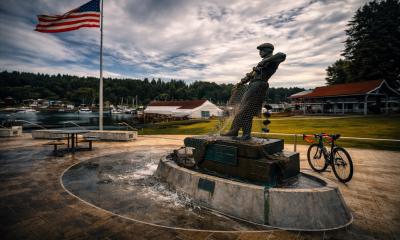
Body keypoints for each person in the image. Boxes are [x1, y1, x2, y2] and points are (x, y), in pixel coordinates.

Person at [222, 43, 286, 140]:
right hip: (252, 85)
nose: (260, 52)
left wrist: (266, 61)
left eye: (262, 50)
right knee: (247, 111)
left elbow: (282, 55)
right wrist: (240, 82)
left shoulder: (273, 60)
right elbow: (251, 75)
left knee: (245, 110)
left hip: (259, 85)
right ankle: (244, 133)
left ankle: (235, 131)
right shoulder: (262, 62)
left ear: (268, 50)